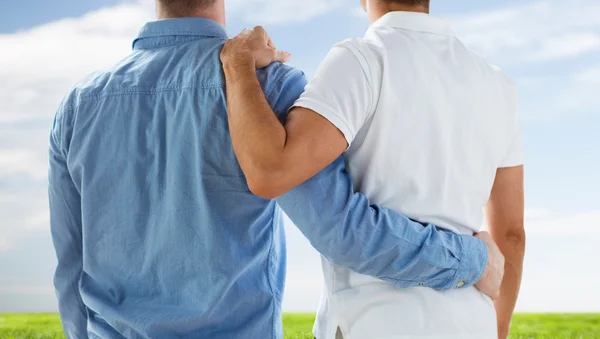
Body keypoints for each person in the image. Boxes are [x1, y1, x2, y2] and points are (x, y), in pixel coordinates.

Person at [48, 0, 504, 338]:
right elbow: (343, 231)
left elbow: (70, 270)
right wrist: (471, 259)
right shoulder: (266, 87)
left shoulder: (77, 106)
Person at [220, 0, 526, 339]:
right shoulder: (498, 85)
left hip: (373, 322)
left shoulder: (363, 59)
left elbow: (272, 171)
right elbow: (511, 234)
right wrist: (496, 327)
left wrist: (238, 65)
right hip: (472, 321)